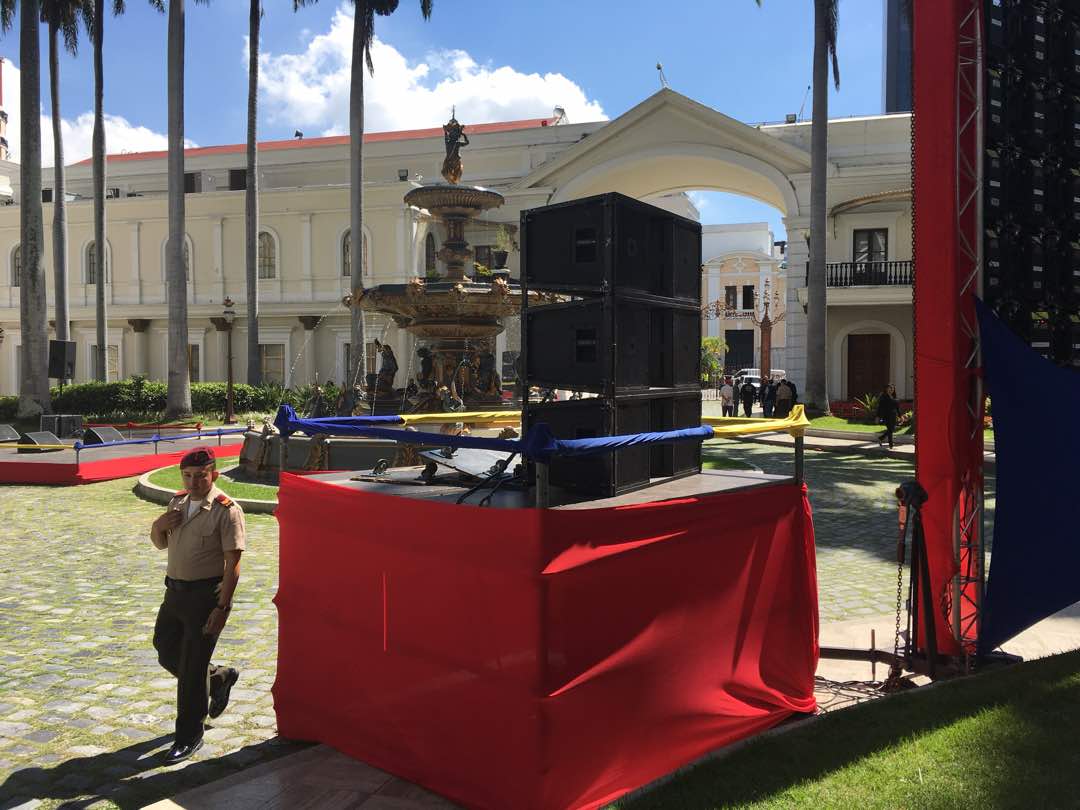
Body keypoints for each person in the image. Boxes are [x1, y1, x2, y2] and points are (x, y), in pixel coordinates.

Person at [149, 447, 246, 764]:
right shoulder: (177, 502)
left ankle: (189, 736)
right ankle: (217, 677)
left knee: (190, 670)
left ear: (213, 474)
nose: (193, 482)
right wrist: (159, 524)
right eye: (187, 476)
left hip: (205, 597)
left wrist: (223, 608)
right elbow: (160, 542)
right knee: (164, 647)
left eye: (200, 476)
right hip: (174, 593)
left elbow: (233, 562)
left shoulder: (226, 510)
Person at [877, 383, 900, 448]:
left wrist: (900, 416)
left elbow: (897, 408)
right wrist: (878, 416)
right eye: (889, 389)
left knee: (891, 430)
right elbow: (880, 407)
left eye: (892, 389)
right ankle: (891, 446)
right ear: (886, 390)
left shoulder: (895, 397)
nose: (891, 390)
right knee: (890, 430)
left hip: (894, 416)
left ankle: (881, 438)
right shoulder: (883, 397)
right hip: (886, 416)